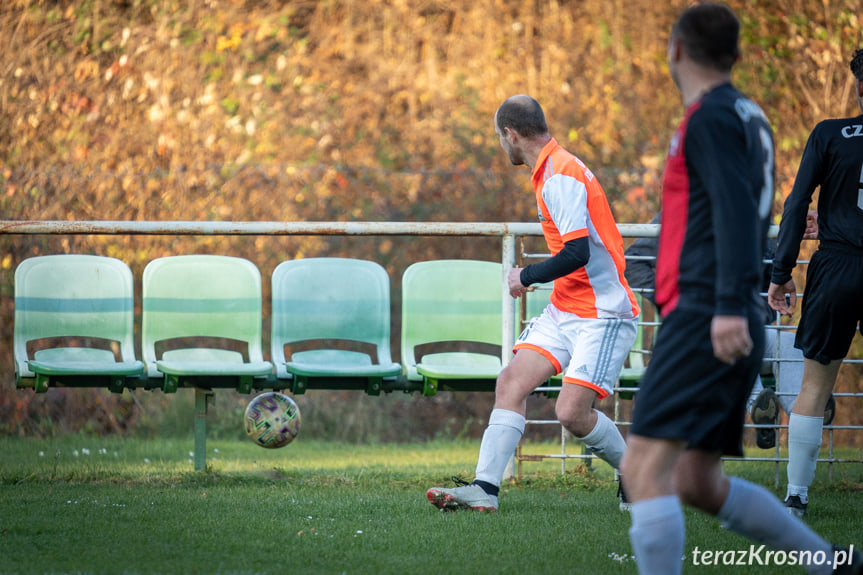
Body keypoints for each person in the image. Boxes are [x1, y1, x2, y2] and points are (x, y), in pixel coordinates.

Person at [619, 5, 860, 575]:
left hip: (709, 311)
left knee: (643, 469)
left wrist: (729, 304)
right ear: (736, 55)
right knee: (697, 480)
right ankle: (829, 565)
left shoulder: (709, 118)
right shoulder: (748, 114)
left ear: (676, 49)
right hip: (723, 309)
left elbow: (731, 208)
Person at [426, 95, 640, 512]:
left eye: (499, 139)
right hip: (567, 307)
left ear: (510, 134)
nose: (501, 147)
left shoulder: (560, 175)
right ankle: (485, 491)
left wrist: (524, 276)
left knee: (572, 413)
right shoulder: (551, 170)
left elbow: (577, 252)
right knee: (511, 383)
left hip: (602, 313)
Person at [624, 210, 834, 450]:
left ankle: (806, 411)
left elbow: (774, 278)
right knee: (729, 339)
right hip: (697, 335)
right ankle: (760, 407)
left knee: (790, 346)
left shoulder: (758, 214)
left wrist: (794, 230)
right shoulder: (681, 210)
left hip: (750, 328)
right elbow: (632, 262)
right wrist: (674, 302)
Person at [767, 47, 863, 519]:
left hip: (838, 267)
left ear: (859, 87)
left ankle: (798, 495)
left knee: (814, 385)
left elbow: (795, 202)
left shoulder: (830, 134)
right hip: (843, 250)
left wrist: (781, 273)